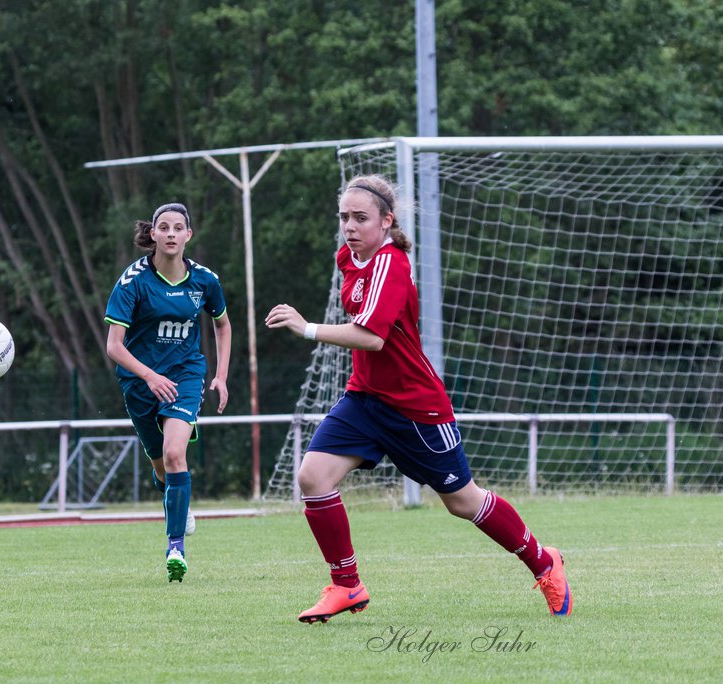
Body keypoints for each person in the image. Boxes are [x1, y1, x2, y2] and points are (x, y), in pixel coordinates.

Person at [264, 175, 572, 622]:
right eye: (344, 218)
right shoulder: (348, 258)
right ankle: (346, 586)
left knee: (463, 502)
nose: (349, 226)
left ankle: (545, 563)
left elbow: (370, 338)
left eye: (360, 218)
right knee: (313, 477)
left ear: (387, 221)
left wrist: (306, 327)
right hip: (365, 399)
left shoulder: (393, 263)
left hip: (415, 408)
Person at [105, 202, 232, 582]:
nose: (172, 233)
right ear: (154, 235)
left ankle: (175, 546)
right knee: (161, 464)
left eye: (179, 227)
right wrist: (148, 376)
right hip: (140, 381)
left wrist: (221, 376)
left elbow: (222, 326)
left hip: (185, 374)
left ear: (188, 235)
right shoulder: (133, 282)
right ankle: (175, 503)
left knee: (176, 452)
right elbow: (114, 345)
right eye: (165, 227)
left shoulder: (205, 281)